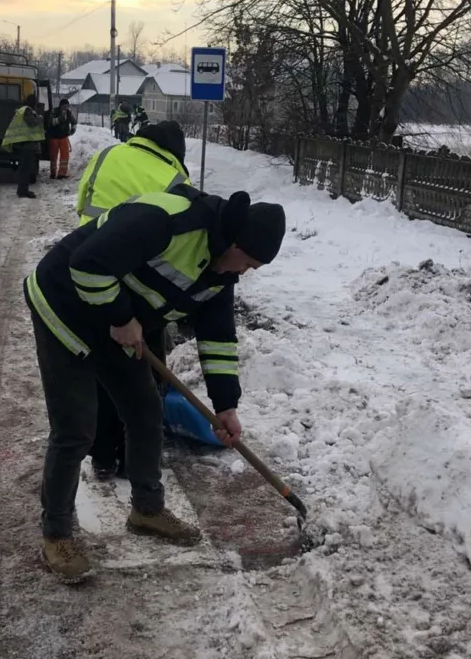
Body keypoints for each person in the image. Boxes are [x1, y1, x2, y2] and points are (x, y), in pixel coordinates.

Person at [24, 186, 286, 582]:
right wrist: (120, 316)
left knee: (146, 411)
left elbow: (217, 338)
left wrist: (226, 405)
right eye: (248, 263)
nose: (244, 272)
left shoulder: (221, 272)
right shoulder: (169, 220)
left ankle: (146, 510)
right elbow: (87, 264)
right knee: (76, 428)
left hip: (118, 326)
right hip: (64, 307)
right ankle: (56, 534)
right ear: (235, 244)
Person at [76, 120, 191, 477]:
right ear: (175, 153)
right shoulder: (175, 180)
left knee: (101, 370)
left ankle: (102, 455)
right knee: (142, 378)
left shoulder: (106, 156)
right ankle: (132, 458)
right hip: (139, 289)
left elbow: (81, 203)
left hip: (88, 275)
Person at [2, 92, 45, 199]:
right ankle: (22, 191)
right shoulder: (27, 110)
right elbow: (32, 123)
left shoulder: (24, 110)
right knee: (26, 169)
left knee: (26, 168)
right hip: (26, 145)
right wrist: (39, 117)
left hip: (25, 144)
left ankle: (23, 190)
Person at [45, 97, 77, 179]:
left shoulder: (69, 113)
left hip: (63, 137)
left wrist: (73, 129)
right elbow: (51, 122)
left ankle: (62, 173)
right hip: (53, 137)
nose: (65, 107)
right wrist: (60, 119)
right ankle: (53, 173)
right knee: (53, 156)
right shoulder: (54, 111)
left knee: (65, 156)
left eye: (67, 106)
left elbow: (74, 122)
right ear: (60, 105)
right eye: (64, 106)